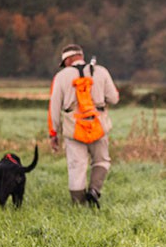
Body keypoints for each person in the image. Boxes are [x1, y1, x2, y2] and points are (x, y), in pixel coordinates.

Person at [48, 44, 120, 207]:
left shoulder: (61, 76)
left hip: (73, 127)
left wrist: (53, 133)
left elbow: (54, 107)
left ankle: (79, 205)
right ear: (81, 56)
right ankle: (94, 190)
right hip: (98, 125)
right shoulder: (101, 71)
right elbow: (114, 98)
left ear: (68, 60)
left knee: (77, 166)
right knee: (102, 161)